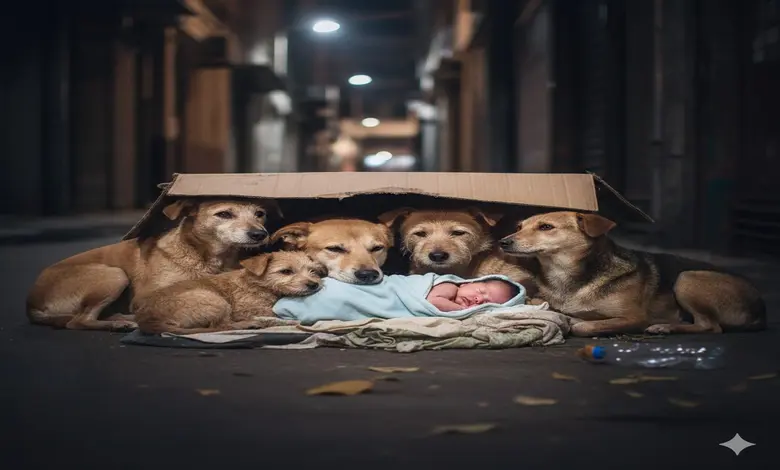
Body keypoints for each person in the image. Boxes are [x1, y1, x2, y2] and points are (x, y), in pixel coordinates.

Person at [272, 273, 526, 325]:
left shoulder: (467, 298)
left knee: (345, 310)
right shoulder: (447, 285)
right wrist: (466, 313)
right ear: (468, 282)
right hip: (382, 292)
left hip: (391, 304)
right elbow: (436, 303)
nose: (479, 301)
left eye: (490, 303)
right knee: (339, 295)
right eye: (481, 292)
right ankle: (298, 305)